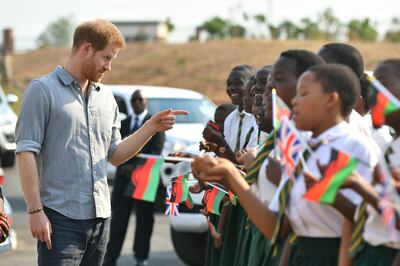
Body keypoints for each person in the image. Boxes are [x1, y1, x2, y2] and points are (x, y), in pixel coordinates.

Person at [15, 19, 188, 266]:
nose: (108, 67)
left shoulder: (106, 98)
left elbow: (115, 155)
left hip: (101, 221)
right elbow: (25, 153)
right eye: (106, 58)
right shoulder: (42, 91)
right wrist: (34, 211)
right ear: (87, 48)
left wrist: (150, 128)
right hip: (60, 221)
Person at [103, 90, 165, 266]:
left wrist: (134, 167)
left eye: (140, 99)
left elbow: (156, 151)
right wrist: (125, 167)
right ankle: (111, 256)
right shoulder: (124, 123)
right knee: (118, 220)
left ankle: (141, 257)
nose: (137, 102)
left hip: (145, 177)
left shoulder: (156, 124)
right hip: (123, 177)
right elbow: (115, 147)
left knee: (144, 220)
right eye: (134, 100)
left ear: (146, 102)